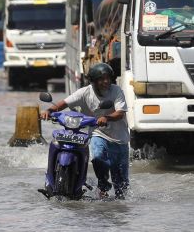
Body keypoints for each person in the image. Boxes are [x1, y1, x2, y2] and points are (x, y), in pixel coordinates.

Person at [40, 63, 129, 199]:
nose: (105, 82)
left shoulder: (116, 91)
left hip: (119, 139)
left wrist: (106, 117)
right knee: (98, 157)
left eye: (107, 78)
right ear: (93, 81)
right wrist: (49, 110)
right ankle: (103, 187)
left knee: (121, 187)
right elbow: (64, 103)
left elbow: (120, 113)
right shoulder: (85, 92)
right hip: (98, 133)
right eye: (101, 79)